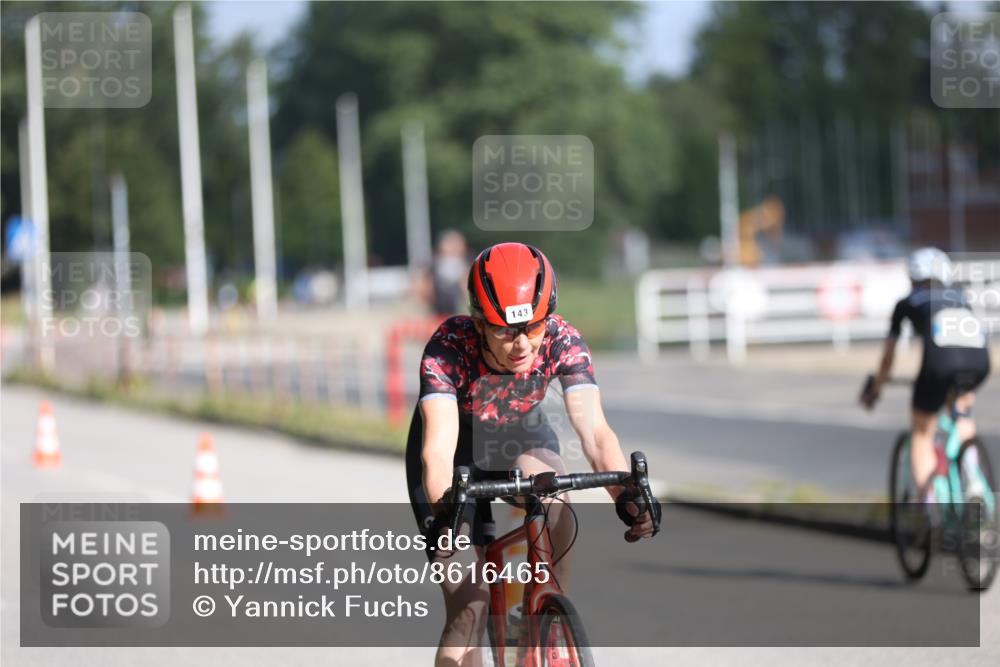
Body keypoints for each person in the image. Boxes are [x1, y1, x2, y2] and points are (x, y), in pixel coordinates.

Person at [406, 242, 660, 666]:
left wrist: (627, 497)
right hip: (455, 452)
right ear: (479, 322)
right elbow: (437, 453)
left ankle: (546, 614)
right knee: (471, 603)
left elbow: (596, 435)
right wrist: (446, 516)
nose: (522, 344)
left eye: (534, 327)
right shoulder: (448, 348)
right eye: (505, 330)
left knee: (555, 495)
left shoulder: (563, 339)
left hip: (518, 434)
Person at [862, 247, 991, 505]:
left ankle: (931, 505)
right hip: (979, 362)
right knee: (962, 412)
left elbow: (889, 356)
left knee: (922, 433)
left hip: (939, 366)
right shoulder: (960, 297)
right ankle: (974, 479)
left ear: (913, 277)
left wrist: (876, 387)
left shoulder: (907, 302)